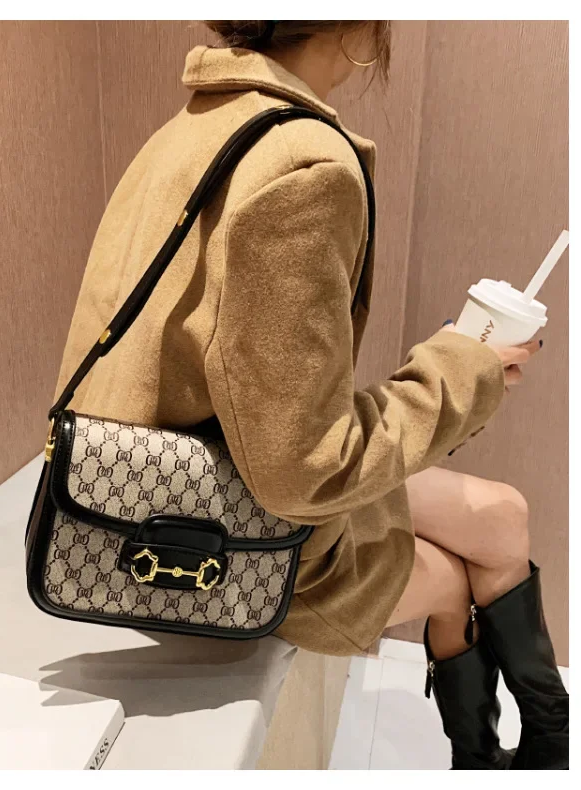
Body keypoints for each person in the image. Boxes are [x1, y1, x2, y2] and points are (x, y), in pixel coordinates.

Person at [55, 21, 568, 769]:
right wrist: (461, 374)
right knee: (454, 576)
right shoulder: (303, 167)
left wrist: (459, 371)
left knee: (504, 514)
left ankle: (548, 743)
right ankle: (487, 760)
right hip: (217, 531)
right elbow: (305, 468)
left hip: (172, 473)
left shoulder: (196, 125)